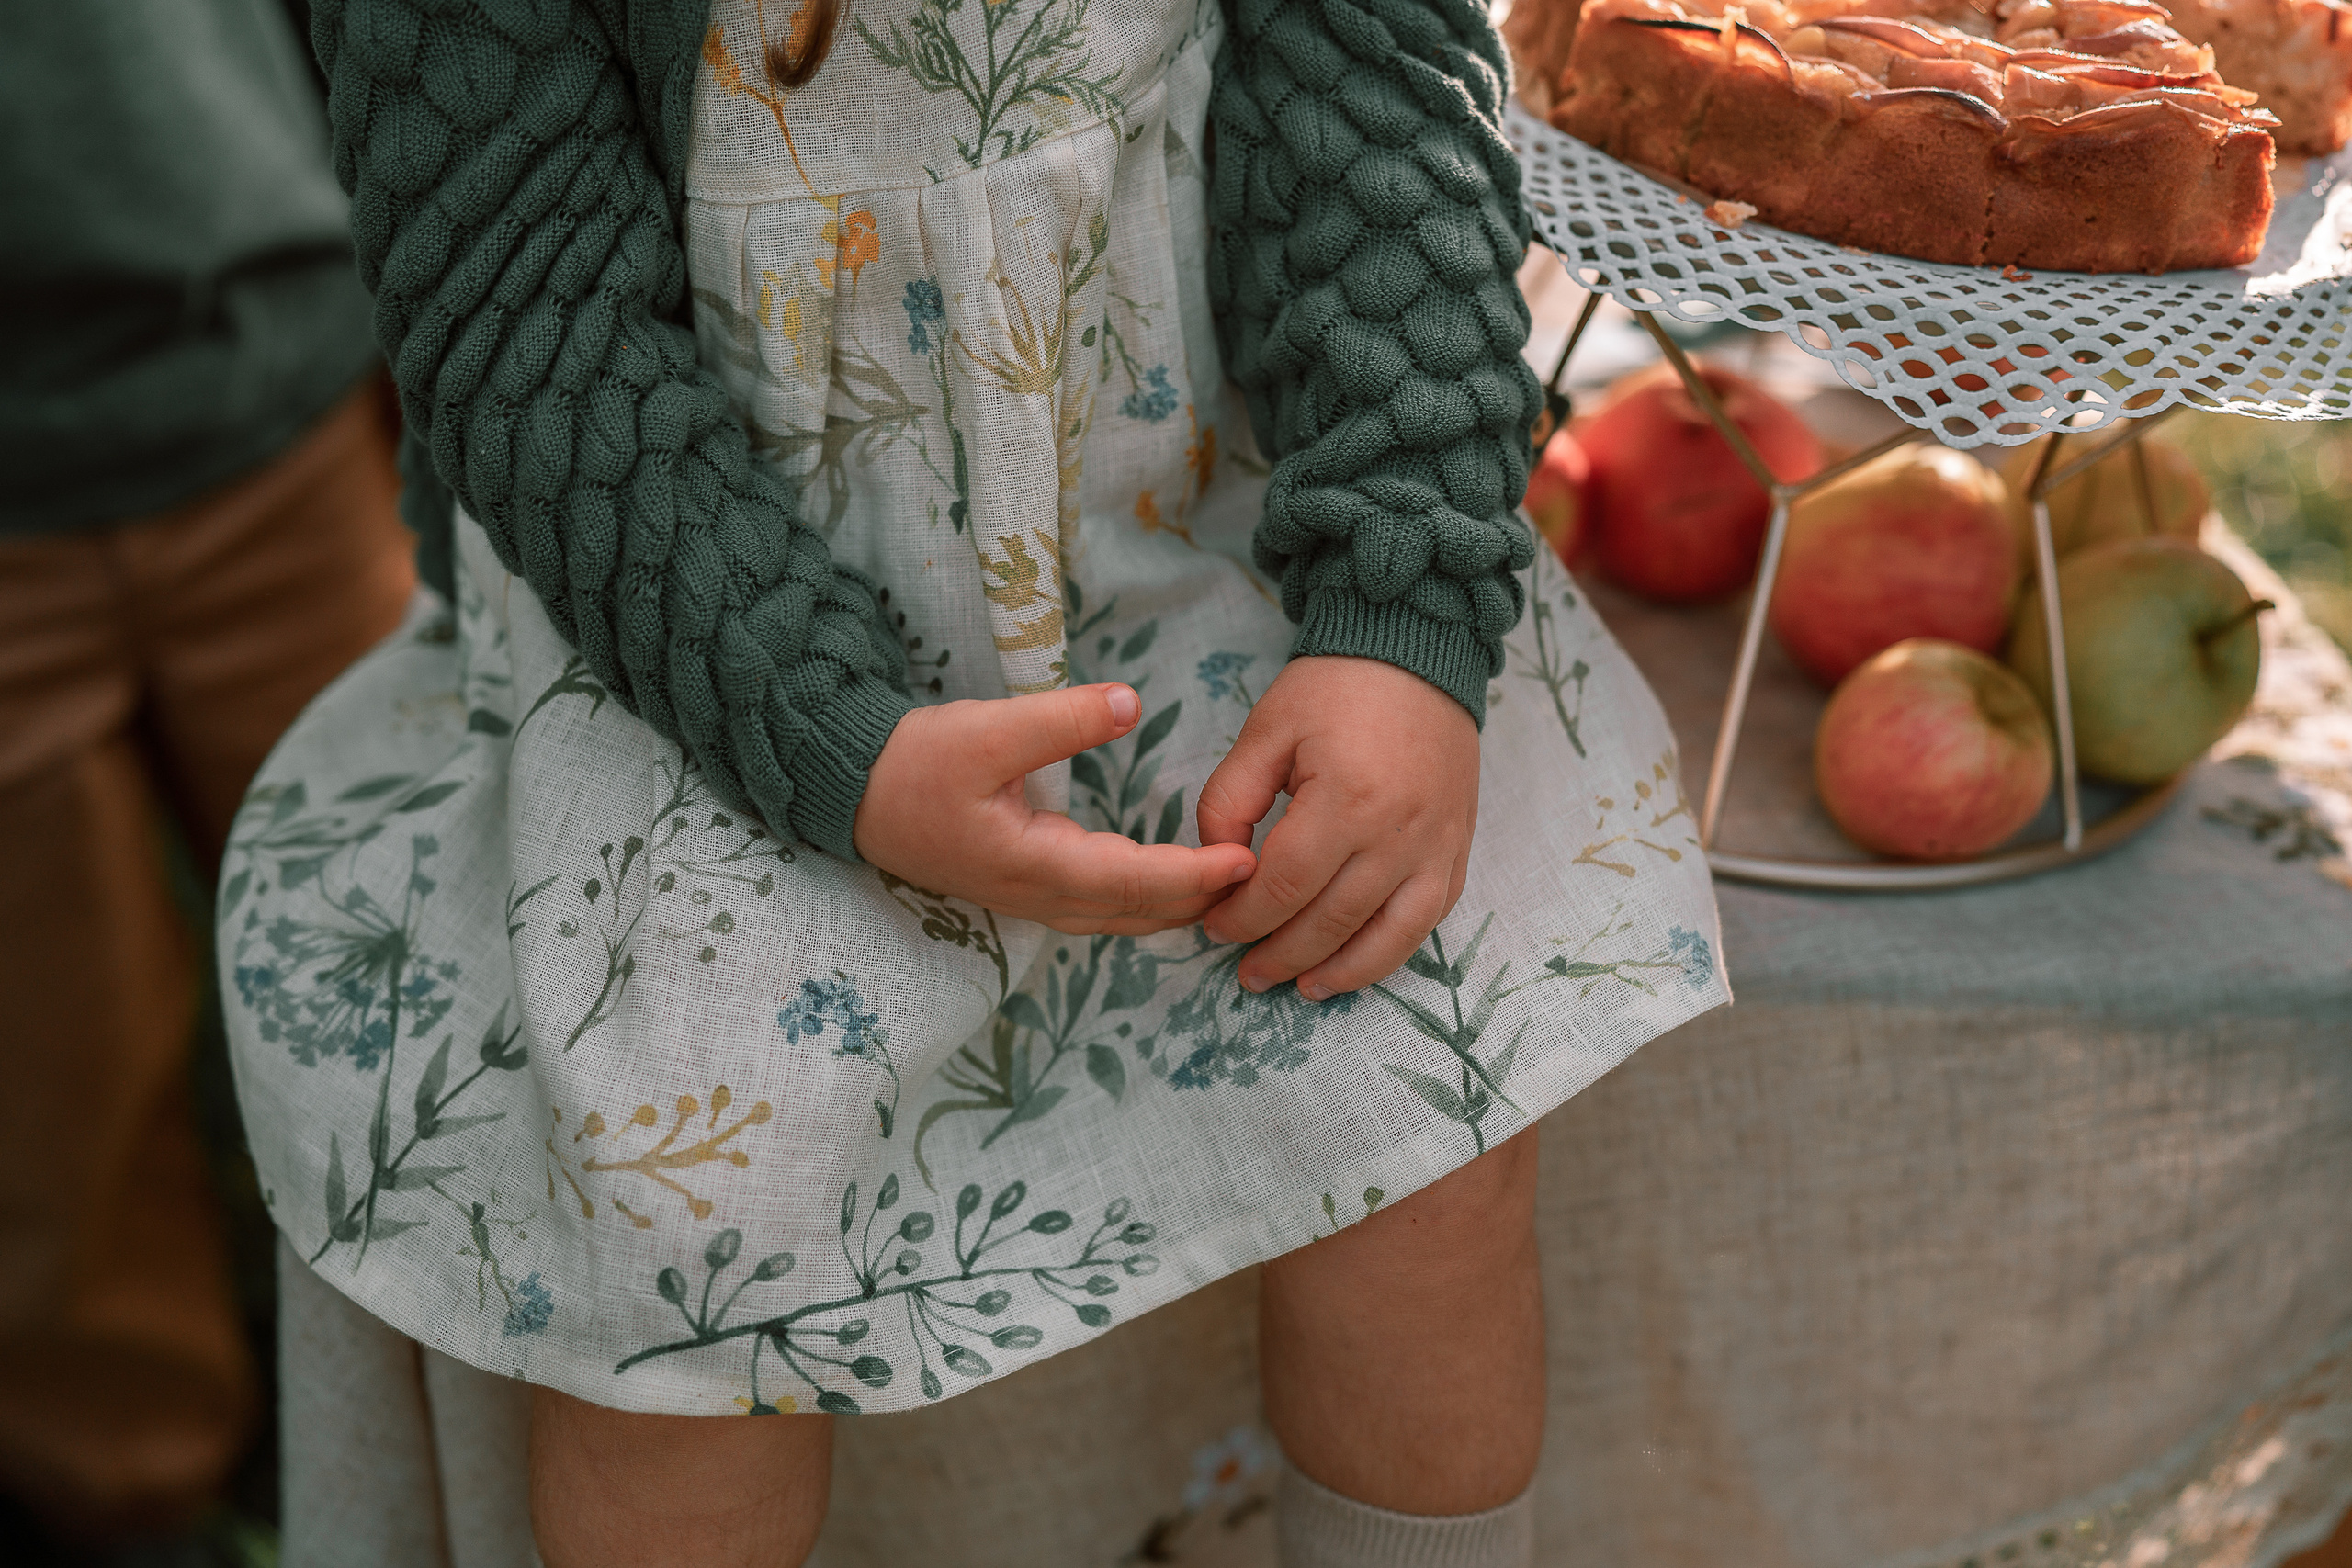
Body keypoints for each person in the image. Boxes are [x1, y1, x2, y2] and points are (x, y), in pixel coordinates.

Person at [222, 0, 1728, 1562]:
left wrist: (1399, 603)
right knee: (676, 1261)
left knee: (1430, 1106)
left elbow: (1373, 89)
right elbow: (526, 315)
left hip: (1189, 529)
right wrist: (830, 741)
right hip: (706, 616)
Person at [0, 0, 418, 1541]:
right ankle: (139, 1499)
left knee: (417, 977)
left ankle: (454, 1418)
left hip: (276, 391)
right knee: (52, 1083)